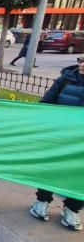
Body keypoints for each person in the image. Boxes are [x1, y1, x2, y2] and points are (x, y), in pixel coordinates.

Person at [29, 57, 84, 231]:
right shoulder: (66, 79)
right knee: (50, 167)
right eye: (82, 59)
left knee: (80, 173)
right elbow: (46, 103)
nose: (82, 64)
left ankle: (73, 208)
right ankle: (42, 200)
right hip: (60, 135)